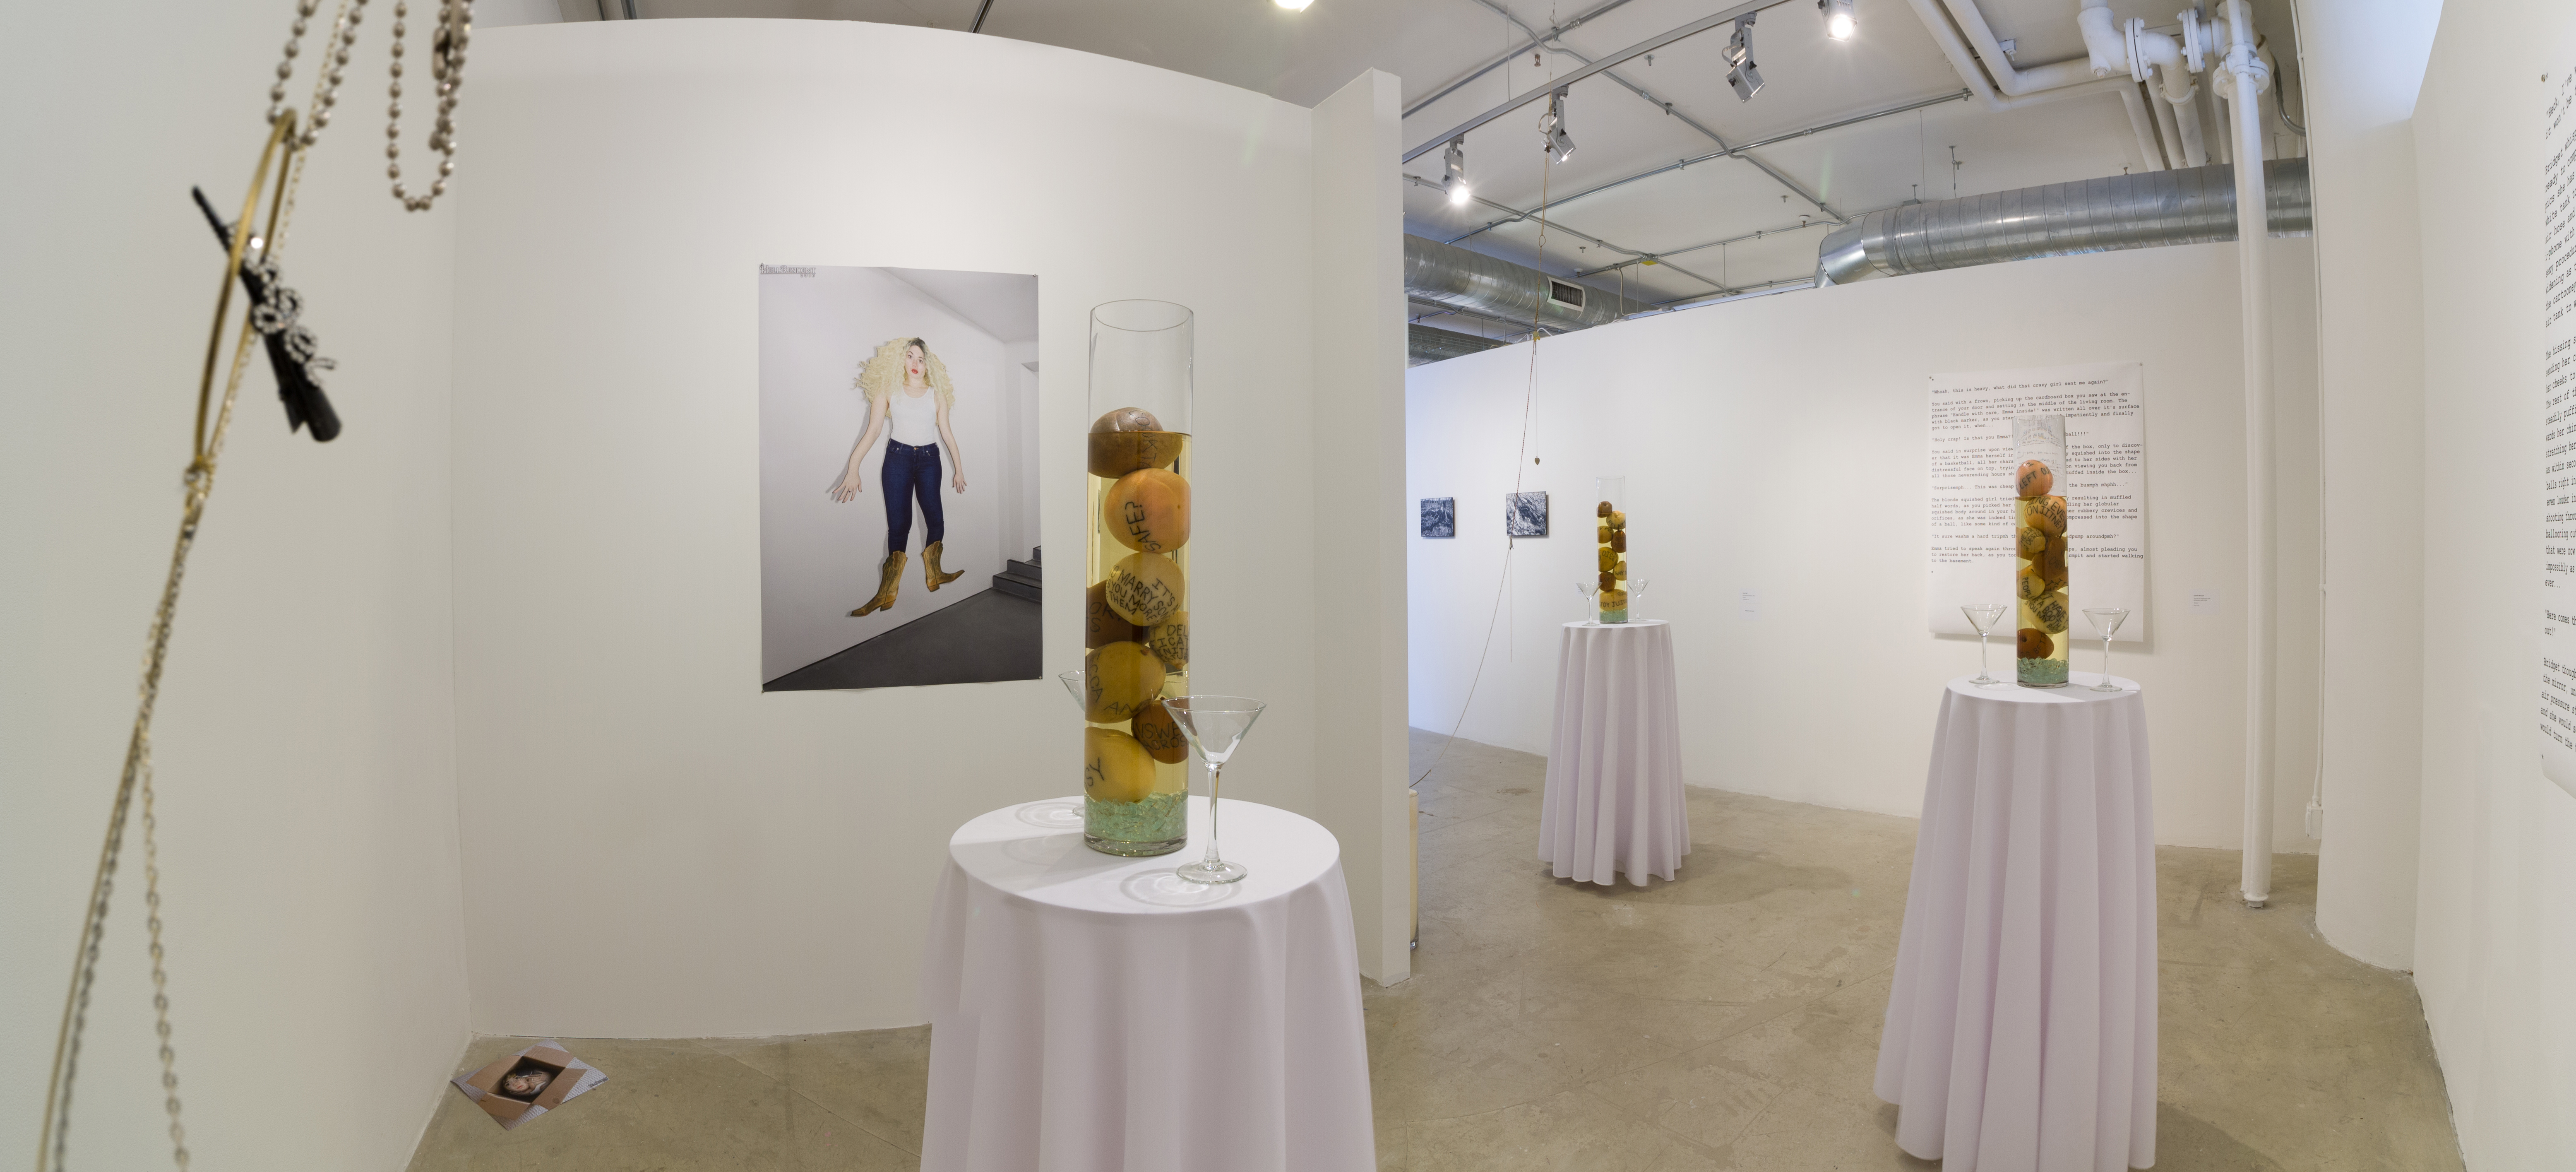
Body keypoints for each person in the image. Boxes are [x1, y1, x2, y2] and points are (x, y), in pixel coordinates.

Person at [831, 336, 968, 616]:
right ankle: (887, 591)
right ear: (901, 359)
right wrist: (853, 468)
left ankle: (935, 573)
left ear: (927, 364)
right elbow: (873, 431)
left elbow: (947, 434)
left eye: (921, 359)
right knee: (899, 526)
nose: (916, 363)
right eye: (910, 357)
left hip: (930, 461)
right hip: (898, 459)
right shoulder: (889, 390)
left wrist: (959, 468)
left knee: (936, 520)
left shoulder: (936, 394)